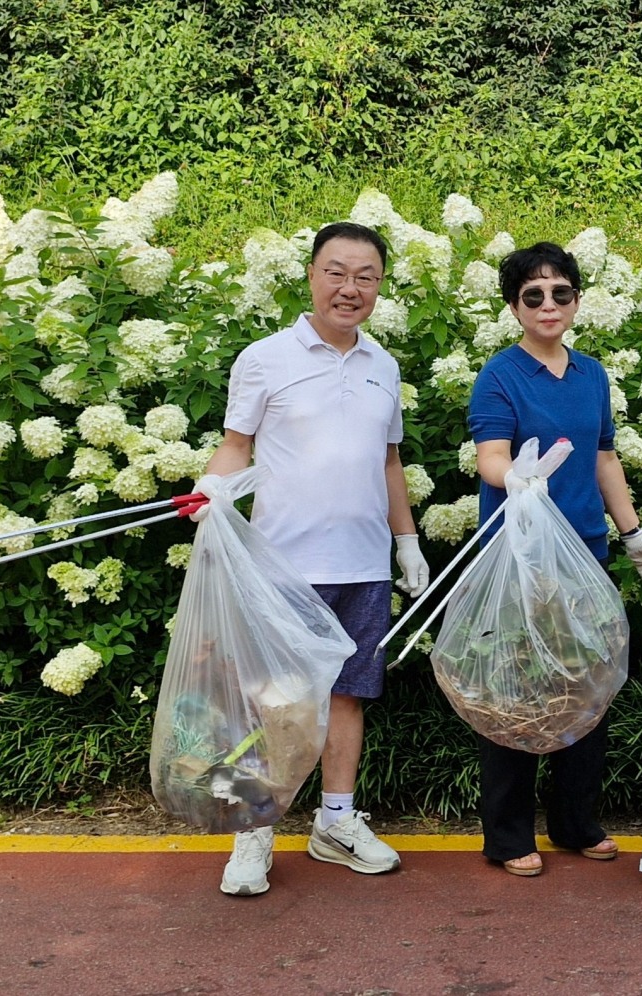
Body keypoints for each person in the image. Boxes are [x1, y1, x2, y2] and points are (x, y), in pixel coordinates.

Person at [199, 221, 432, 897]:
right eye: (337, 272)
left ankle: (334, 824)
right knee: (272, 704)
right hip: (284, 565)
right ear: (310, 274)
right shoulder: (266, 358)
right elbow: (237, 446)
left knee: (347, 697)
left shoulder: (383, 365)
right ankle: (254, 833)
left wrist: (407, 542)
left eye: (365, 277)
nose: (349, 288)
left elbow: (389, 462)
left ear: (379, 286)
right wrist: (213, 490)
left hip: (362, 564)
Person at [468, 241, 642, 877]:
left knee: (584, 686)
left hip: (584, 551)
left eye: (561, 293)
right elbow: (490, 456)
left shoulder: (591, 375)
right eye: (533, 295)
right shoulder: (500, 374)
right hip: (520, 553)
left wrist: (633, 531)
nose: (548, 304)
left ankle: (575, 823)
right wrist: (517, 476)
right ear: (514, 307)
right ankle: (506, 835)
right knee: (519, 690)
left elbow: (604, 458)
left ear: (577, 301)